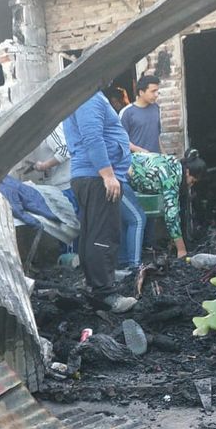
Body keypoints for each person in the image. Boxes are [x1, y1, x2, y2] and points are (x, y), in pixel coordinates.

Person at [63, 91, 139, 313]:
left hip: (89, 175)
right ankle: (105, 294)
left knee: (92, 233)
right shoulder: (88, 98)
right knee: (104, 234)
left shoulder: (82, 97)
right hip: (97, 176)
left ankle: (96, 282)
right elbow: (92, 137)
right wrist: (107, 174)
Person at [128, 149, 207, 258]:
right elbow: (171, 216)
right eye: (192, 181)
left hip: (124, 168)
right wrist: (181, 250)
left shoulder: (174, 163)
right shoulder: (172, 178)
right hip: (121, 175)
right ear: (188, 172)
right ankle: (132, 263)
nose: (191, 185)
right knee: (137, 220)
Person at [120, 75, 162, 154]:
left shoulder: (156, 108)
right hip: (136, 162)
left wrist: (164, 156)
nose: (156, 94)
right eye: (153, 91)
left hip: (155, 161)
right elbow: (120, 140)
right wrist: (140, 151)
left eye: (157, 91)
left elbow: (157, 136)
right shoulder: (127, 112)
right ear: (141, 92)